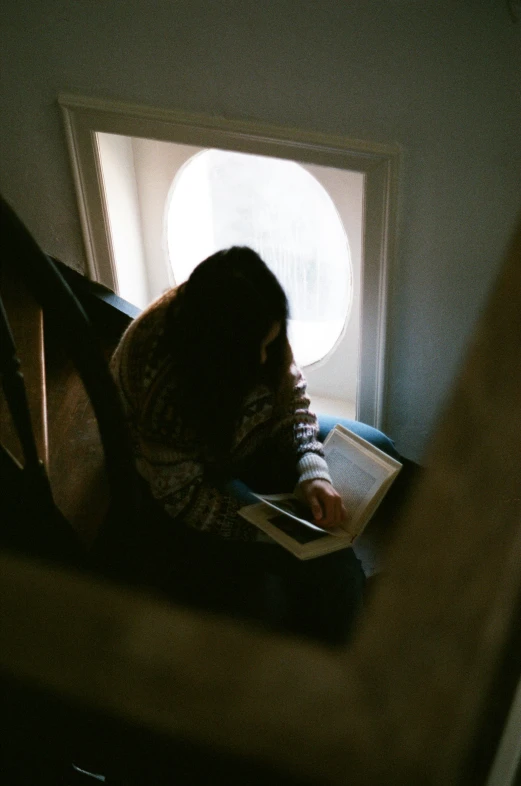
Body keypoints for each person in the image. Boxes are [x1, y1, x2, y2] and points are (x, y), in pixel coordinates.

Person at [110, 247, 398, 645]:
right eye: (257, 352)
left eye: (273, 343)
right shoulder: (165, 385)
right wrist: (276, 531)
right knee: (333, 565)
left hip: (253, 437)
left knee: (379, 447)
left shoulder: (253, 320)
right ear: (222, 356)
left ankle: (335, 604)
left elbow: (292, 400)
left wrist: (312, 470)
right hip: (204, 470)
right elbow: (182, 495)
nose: (268, 357)